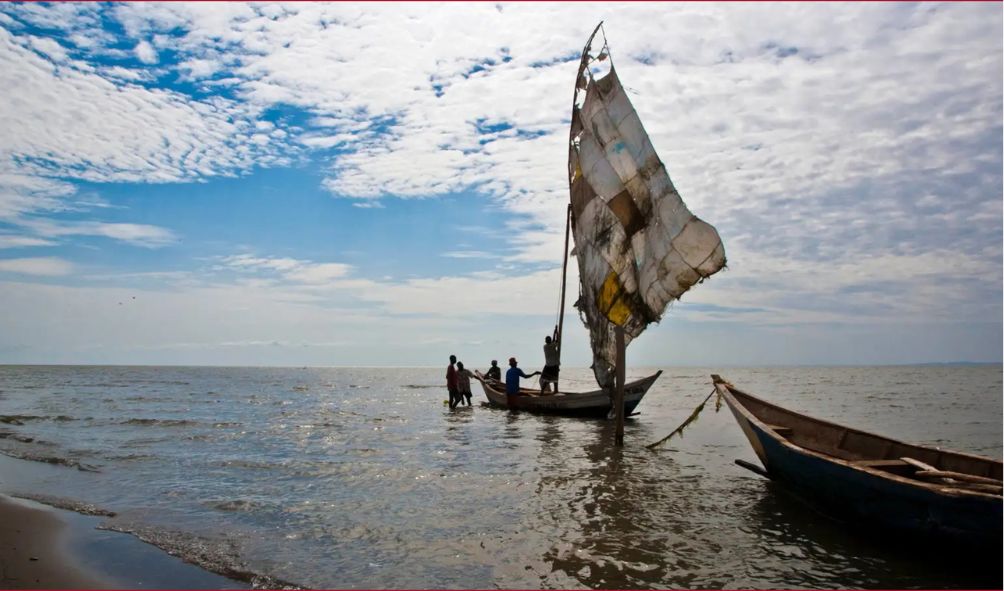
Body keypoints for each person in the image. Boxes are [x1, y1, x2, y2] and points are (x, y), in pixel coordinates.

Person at [540, 327, 561, 394]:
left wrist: (554, 333)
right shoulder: (552, 345)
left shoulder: (545, 346)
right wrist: (557, 332)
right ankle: (556, 390)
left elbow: (553, 341)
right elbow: (557, 340)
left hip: (548, 365)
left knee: (547, 379)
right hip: (554, 365)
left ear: (545, 341)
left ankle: (542, 392)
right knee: (555, 379)